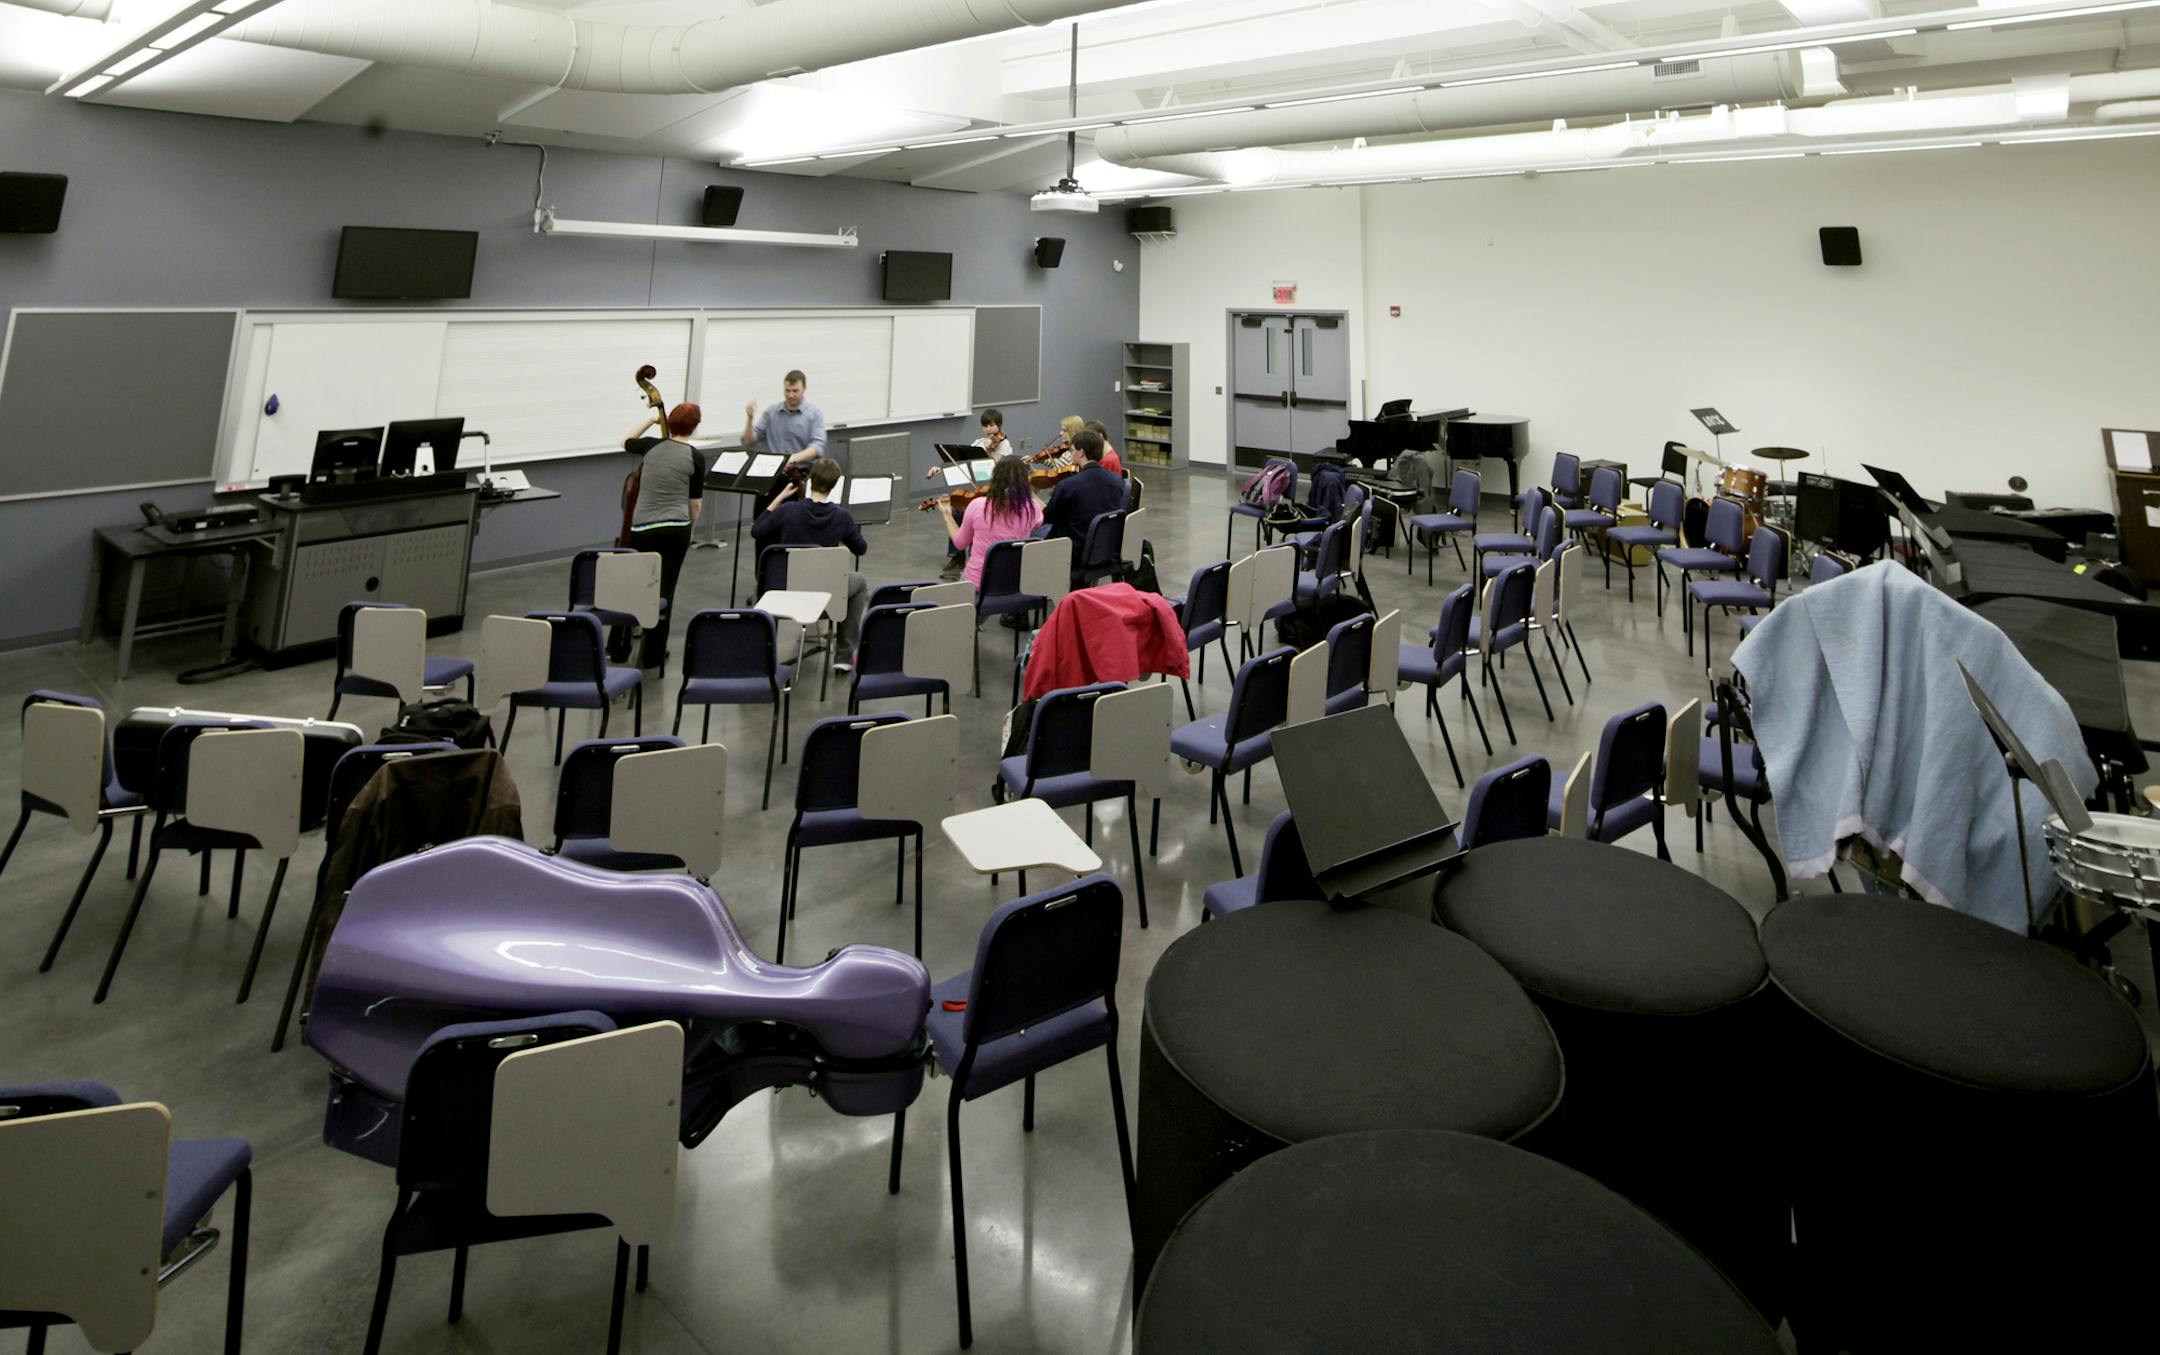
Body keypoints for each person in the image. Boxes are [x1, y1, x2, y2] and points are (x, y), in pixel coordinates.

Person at [751, 457, 870, 671]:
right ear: (834, 486)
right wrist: (851, 524)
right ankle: (843, 656)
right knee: (859, 582)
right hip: (824, 595)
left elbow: (756, 530)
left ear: (811, 480)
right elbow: (861, 548)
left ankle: (764, 653)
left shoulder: (788, 511)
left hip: (785, 592)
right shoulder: (842, 517)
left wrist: (779, 498)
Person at [623, 402, 707, 669]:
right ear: (695, 427)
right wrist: (691, 528)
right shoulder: (695, 457)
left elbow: (626, 441)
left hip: (642, 529)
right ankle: (653, 656)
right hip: (675, 529)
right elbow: (695, 503)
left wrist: (650, 422)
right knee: (665, 591)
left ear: (668, 424)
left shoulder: (650, 447)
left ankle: (620, 647)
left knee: (637, 588)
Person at [938, 456, 1042, 590]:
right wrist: (1028, 492)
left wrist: (947, 514)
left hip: (978, 583)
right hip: (1016, 582)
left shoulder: (977, 505)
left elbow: (960, 543)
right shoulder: (1032, 508)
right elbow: (1039, 521)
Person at [743, 369, 827, 499]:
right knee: (763, 516)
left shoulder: (814, 414)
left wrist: (791, 459)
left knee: (792, 517)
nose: (791, 395)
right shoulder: (771, 412)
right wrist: (749, 418)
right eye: (787, 391)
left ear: (804, 388)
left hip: (799, 475)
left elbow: (817, 447)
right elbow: (749, 441)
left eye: (795, 391)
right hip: (772, 474)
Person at [1041, 428, 1127, 548]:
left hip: (1073, 549)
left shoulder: (1067, 485)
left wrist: (1033, 498)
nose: (1070, 454)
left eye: (1072, 450)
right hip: (1104, 546)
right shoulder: (1117, 481)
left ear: (1081, 453)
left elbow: (1048, 517)